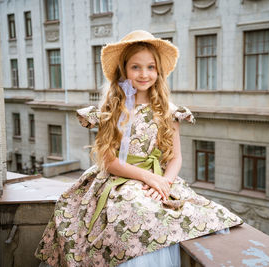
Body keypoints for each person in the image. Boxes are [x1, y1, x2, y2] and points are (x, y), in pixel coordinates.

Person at [35, 30, 242, 267]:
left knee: (194, 215)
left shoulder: (168, 110)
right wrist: (149, 177)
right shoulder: (113, 109)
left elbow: (175, 158)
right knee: (133, 214)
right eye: (136, 67)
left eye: (151, 67)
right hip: (120, 177)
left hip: (158, 179)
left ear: (158, 71)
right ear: (123, 70)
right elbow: (108, 160)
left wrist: (164, 182)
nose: (144, 74)